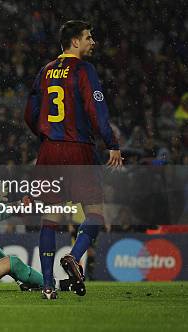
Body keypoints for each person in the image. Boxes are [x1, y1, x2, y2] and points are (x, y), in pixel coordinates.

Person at [24, 20, 123, 300]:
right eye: (89, 38)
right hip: (78, 148)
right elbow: (97, 111)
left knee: (50, 218)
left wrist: (46, 135)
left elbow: (29, 114)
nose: (93, 42)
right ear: (75, 42)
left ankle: (46, 285)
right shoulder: (84, 70)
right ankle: (75, 257)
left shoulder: (45, 71)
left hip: (50, 150)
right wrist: (112, 143)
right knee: (95, 212)